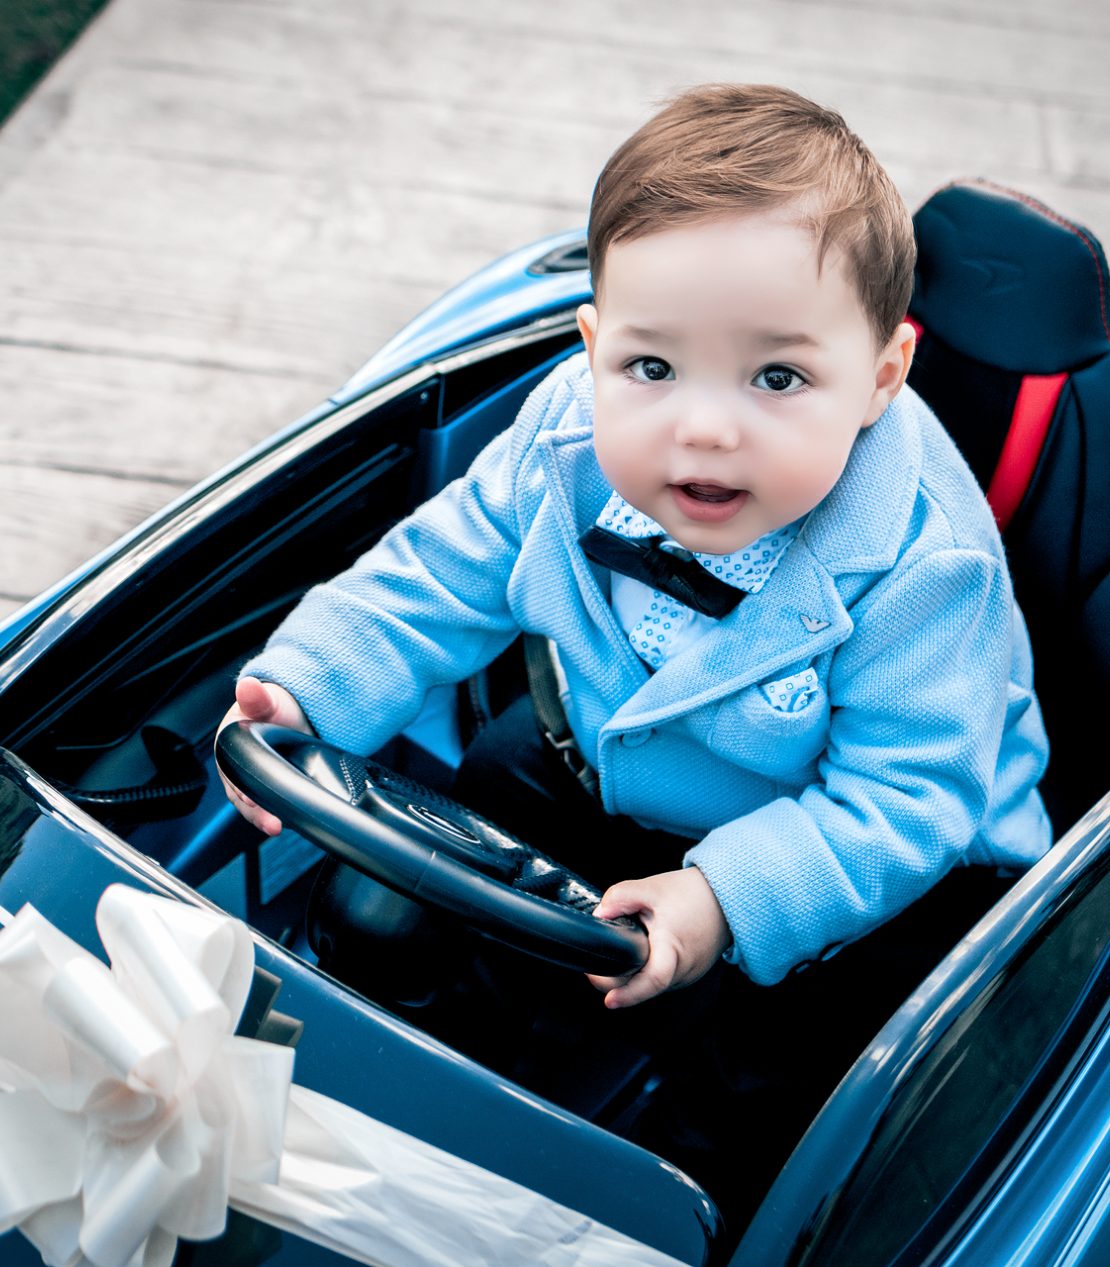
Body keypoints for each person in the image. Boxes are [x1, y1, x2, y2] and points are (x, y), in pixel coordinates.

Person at [219, 81, 1051, 1014]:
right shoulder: (566, 438)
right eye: (650, 366)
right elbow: (438, 570)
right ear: (594, 347)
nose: (703, 427)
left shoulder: (924, 567)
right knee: (435, 860)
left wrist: (725, 900)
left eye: (777, 375)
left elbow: (905, 803)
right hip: (602, 752)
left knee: (773, 1053)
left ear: (880, 379)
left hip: (843, 847)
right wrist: (308, 682)